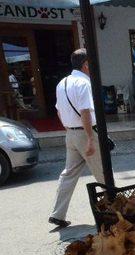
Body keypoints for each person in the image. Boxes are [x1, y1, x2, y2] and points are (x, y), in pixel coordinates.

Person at [49, 48, 104, 228]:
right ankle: (116, 212)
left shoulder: (62, 83)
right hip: (84, 133)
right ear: (86, 65)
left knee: (68, 174)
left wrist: (69, 129)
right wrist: (89, 138)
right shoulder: (83, 84)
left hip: (71, 134)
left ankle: (57, 214)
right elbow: (85, 112)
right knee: (103, 173)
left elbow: (58, 110)